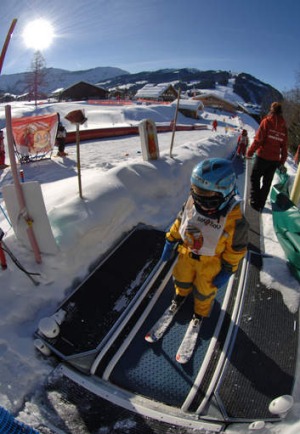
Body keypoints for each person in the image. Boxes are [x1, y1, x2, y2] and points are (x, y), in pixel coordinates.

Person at [161, 158, 249, 327]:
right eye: (196, 192)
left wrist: (229, 268)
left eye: (208, 198)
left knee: (204, 290)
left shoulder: (235, 221)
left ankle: (200, 311)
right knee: (181, 277)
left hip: (210, 264)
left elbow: (235, 250)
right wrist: (171, 239)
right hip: (186, 254)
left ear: (226, 193)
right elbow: (181, 221)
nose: (200, 203)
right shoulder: (193, 203)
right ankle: (181, 293)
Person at [246, 102, 288, 212]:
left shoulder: (267, 122)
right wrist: (281, 161)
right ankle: (261, 203)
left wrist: (250, 152)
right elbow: (284, 147)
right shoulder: (284, 127)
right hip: (274, 160)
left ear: (271, 110)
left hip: (262, 157)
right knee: (267, 182)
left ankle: (255, 201)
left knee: (255, 178)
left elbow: (258, 140)